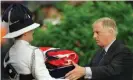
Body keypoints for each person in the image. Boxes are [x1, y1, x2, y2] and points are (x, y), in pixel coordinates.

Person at [2, 3, 68, 80]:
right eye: (31, 29)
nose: (33, 31)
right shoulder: (34, 52)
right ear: (25, 32)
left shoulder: (8, 54)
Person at [65, 17, 133, 80]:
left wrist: (84, 71)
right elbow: (88, 69)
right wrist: (71, 70)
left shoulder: (123, 51)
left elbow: (111, 70)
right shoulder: (100, 52)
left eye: (97, 32)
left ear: (110, 32)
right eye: (94, 33)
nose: (94, 36)